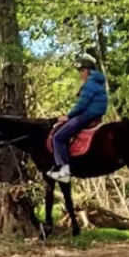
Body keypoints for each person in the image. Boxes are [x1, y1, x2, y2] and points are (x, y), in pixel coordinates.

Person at [48, 52, 107, 183]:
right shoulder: (97, 82)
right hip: (95, 116)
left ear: (87, 71)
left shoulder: (90, 83)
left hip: (87, 116)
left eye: (81, 71)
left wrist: (68, 116)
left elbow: (81, 105)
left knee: (58, 138)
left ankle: (63, 171)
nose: (80, 74)